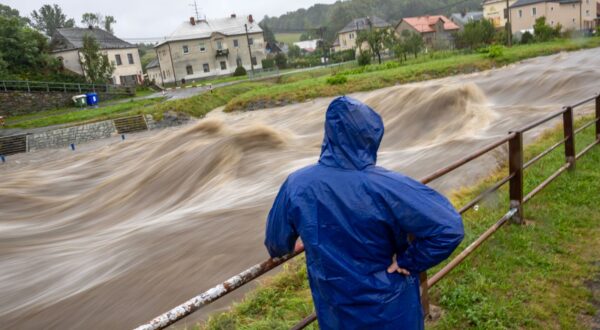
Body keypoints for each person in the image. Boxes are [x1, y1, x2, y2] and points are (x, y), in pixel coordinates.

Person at [264, 96, 464, 330]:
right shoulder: (388, 186)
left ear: (328, 134)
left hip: (335, 312)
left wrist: (296, 241)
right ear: (370, 137)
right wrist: (408, 260)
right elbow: (449, 228)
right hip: (391, 311)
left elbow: (276, 243)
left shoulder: (297, 185)